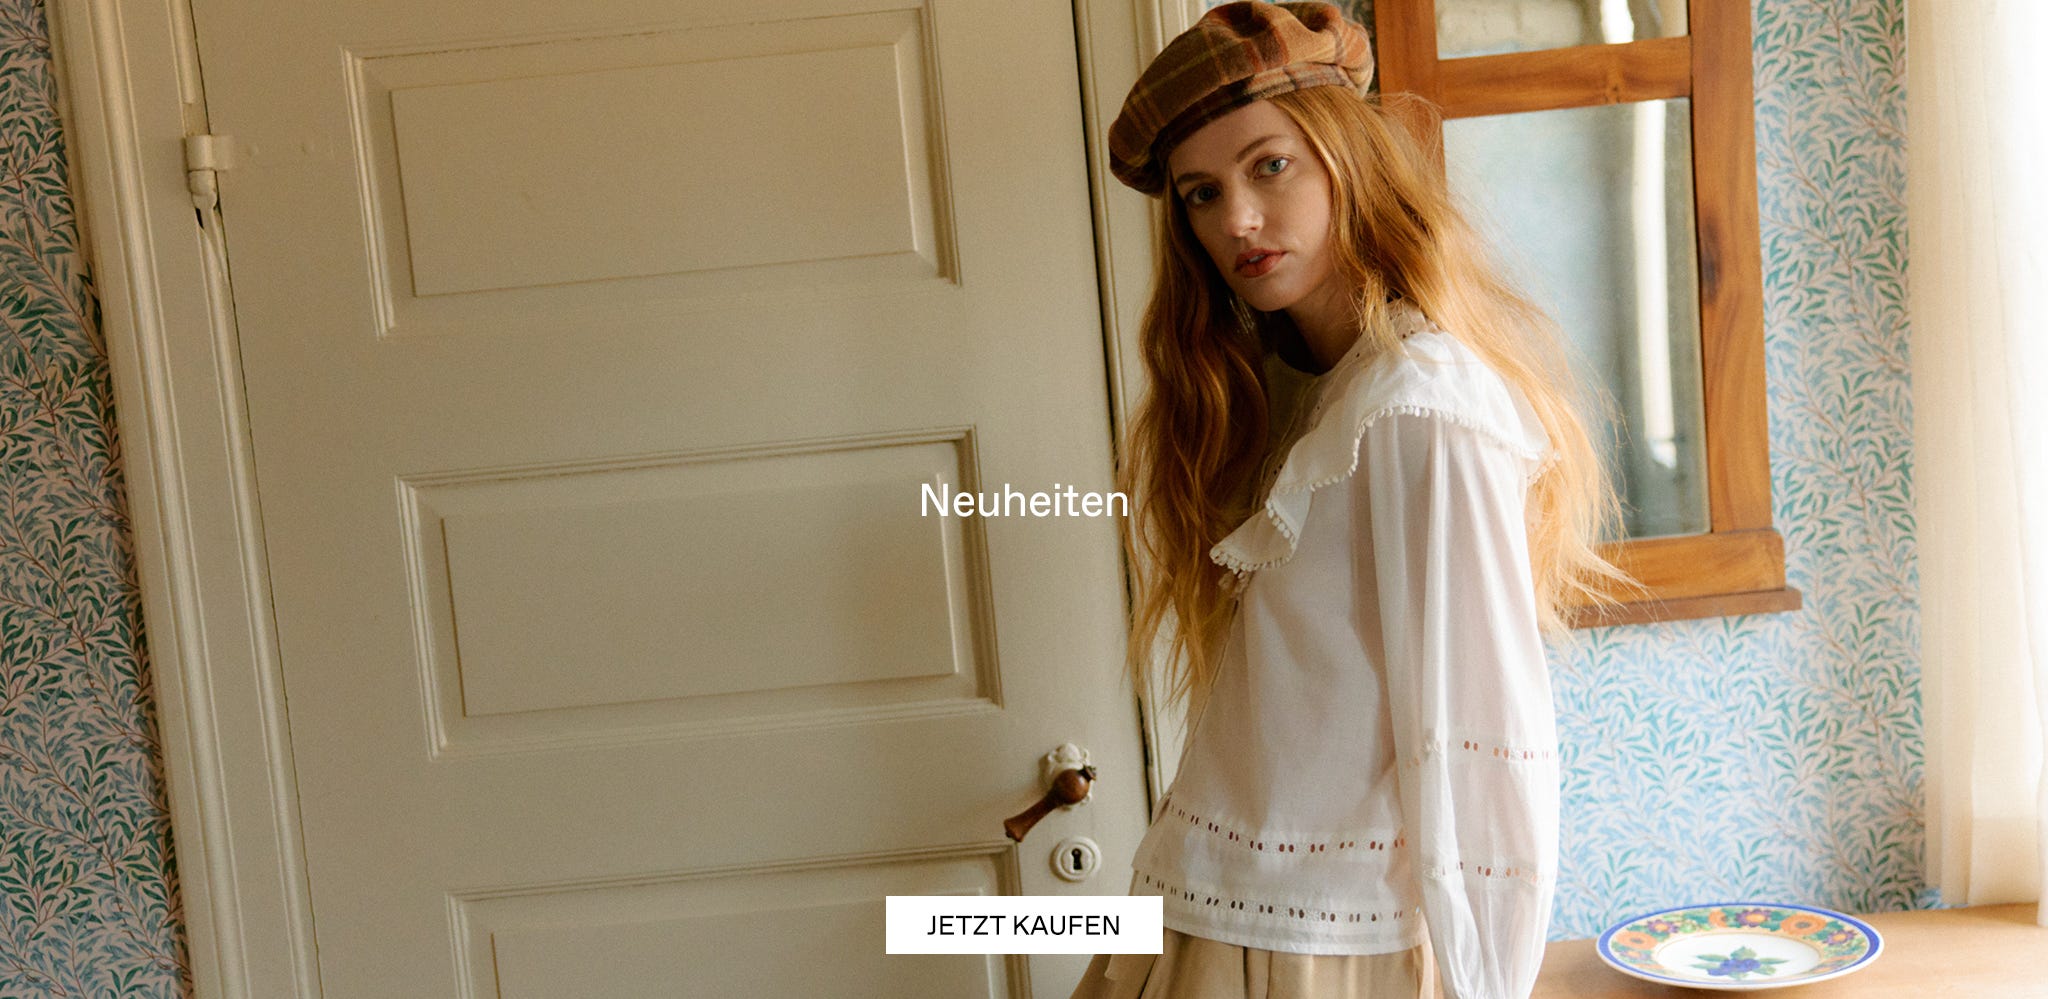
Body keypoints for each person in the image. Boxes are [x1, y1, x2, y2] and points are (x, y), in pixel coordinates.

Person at [1070, 3, 1642, 998]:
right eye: (1202, 194)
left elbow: (1480, 740)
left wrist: (1485, 979)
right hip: (1201, 906)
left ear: (1346, 160)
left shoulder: (1421, 405)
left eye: (1268, 166)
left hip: (1323, 943)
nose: (1235, 221)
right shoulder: (1300, 393)